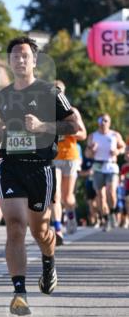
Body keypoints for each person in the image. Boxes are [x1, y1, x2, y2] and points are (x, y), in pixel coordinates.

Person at [0, 36, 82, 317]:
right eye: (15, 56)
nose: (20, 60)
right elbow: (1, 127)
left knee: (41, 232)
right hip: (11, 166)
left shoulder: (50, 92)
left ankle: (49, 260)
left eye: (25, 56)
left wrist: (43, 125)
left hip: (40, 168)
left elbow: (74, 125)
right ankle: (19, 292)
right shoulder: (3, 95)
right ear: (9, 61)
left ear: (34, 60)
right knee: (15, 226)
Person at [51, 81, 86, 241]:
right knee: (55, 195)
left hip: (71, 157)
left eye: (59, 91)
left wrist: (68, 132)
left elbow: (83, 134)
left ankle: (71, 214)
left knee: (68, 197)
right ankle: (58, 228)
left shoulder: (72, 111)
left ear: (64, 92)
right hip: (54, 157)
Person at [86, 113, 126, 230]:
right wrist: (91, 150)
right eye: (101, 120)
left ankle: (113, 212)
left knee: (111, 191)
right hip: (98, 167)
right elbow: (87, 154)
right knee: (101, 196)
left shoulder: (115, 135)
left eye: (106, 120)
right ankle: (107, 218)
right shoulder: (93, 136)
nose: (103, 123)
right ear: (98, 122)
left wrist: (118, 152)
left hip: (111, 167)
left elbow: (123, 147)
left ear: (109, 122)